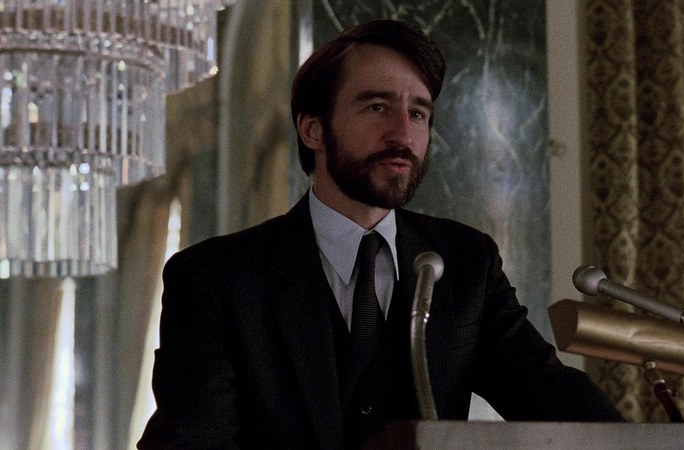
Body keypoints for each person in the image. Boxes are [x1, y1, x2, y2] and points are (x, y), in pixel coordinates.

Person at [138, 19, 622, 450]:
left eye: (419, 113)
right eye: (376, 107)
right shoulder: (216, 278)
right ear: (313, 130)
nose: (403, 135)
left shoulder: (467, 263)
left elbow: (551, 396)